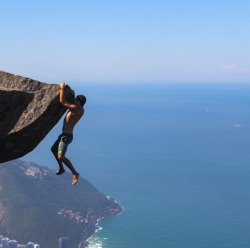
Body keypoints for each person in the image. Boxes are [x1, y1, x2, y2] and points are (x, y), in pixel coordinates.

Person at [51, 83, 86, 185]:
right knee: (53, 149)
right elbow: (71, 102)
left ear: (79, 102)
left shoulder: (76, 109)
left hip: (66, 137)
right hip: (64, 135)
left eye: (76, 99)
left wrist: (62, 89)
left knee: (61, 156)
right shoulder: (80, 109)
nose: (74, 100)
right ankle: (62, 168)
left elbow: (62, 101)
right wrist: (71, 93)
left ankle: (75, 173)